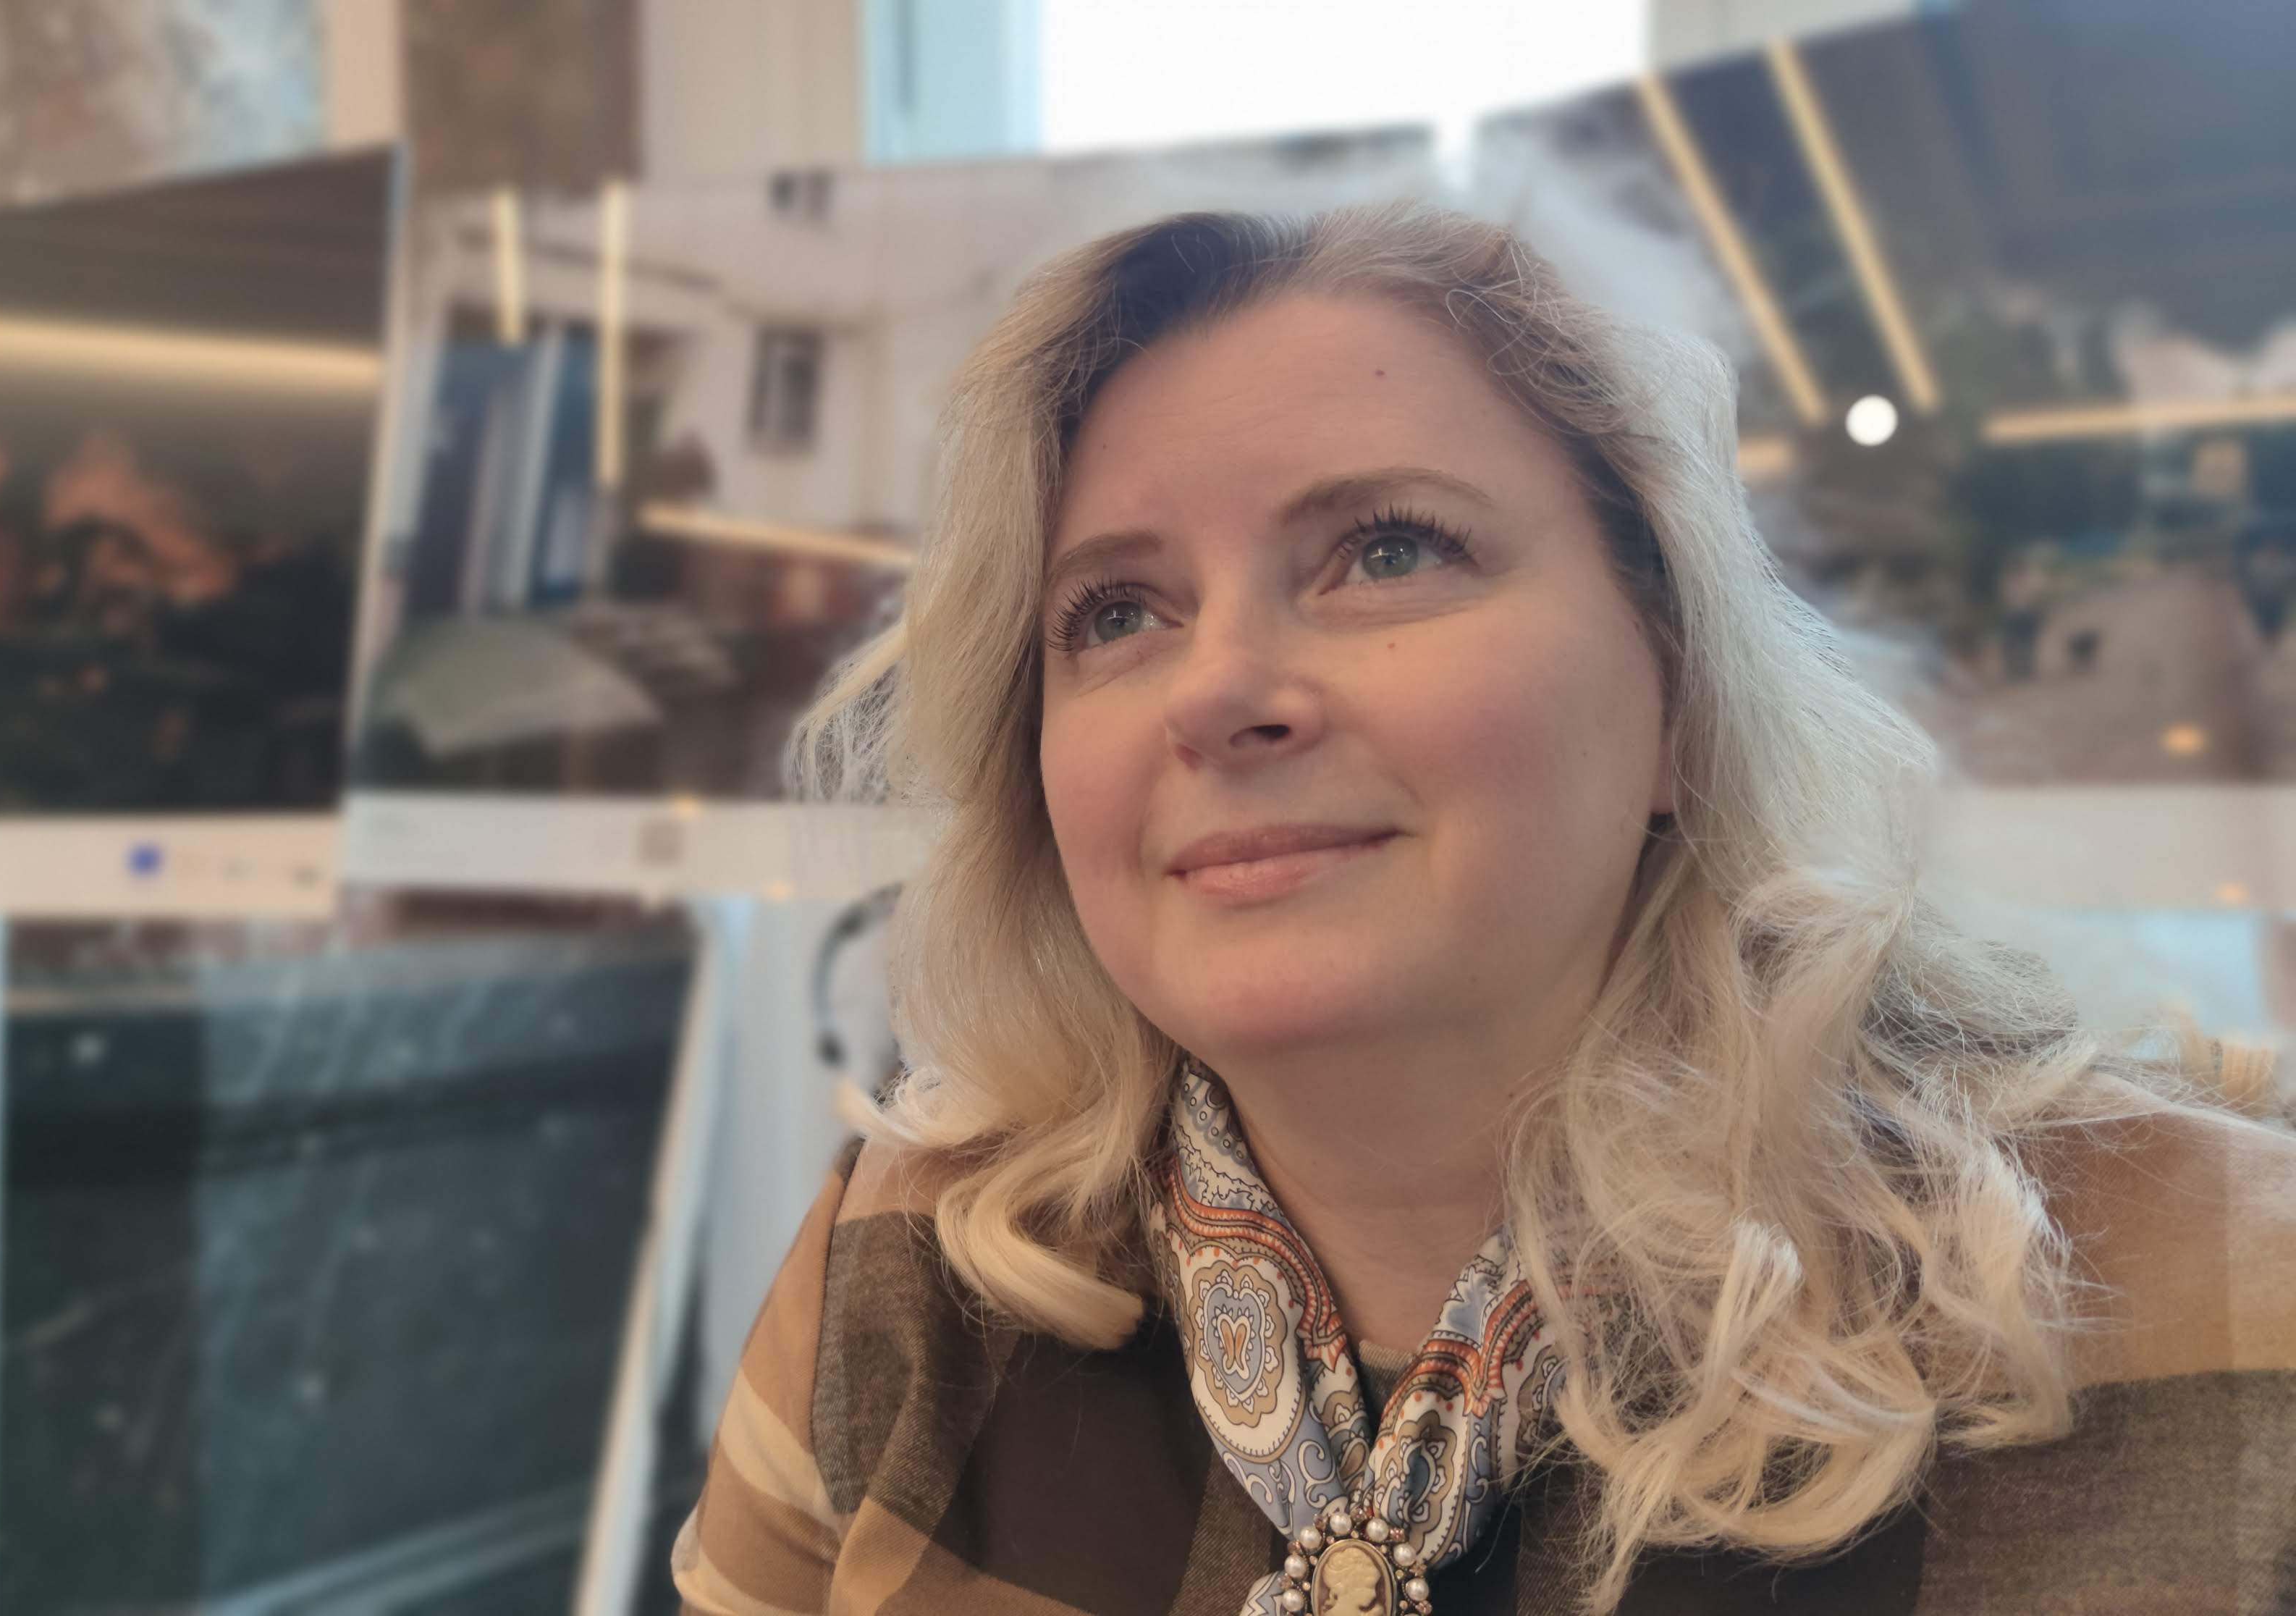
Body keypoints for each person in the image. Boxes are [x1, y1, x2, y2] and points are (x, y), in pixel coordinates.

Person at [671, 203, 2296, 1615]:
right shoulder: (905, 1269)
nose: (1215, 689)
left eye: (1387, 550)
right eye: (1115, 612)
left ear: (1675, 695)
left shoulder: (2233, 1294)